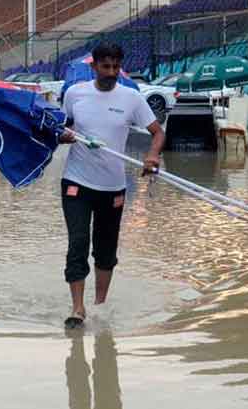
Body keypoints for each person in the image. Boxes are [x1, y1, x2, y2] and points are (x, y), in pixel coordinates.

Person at [58, 44, 165, 328]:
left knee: (106, 249)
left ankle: (99, 305)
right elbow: (59, 128)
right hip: (77, 181)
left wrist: (152, 155)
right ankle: (78, 308)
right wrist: (63, 136)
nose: (111, 73)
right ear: (94, 66)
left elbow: (157, 133)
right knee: (78, 242)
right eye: (106, 67)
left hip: (113, 187)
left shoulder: (131, 98)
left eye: (116, 67)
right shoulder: (75, 94)